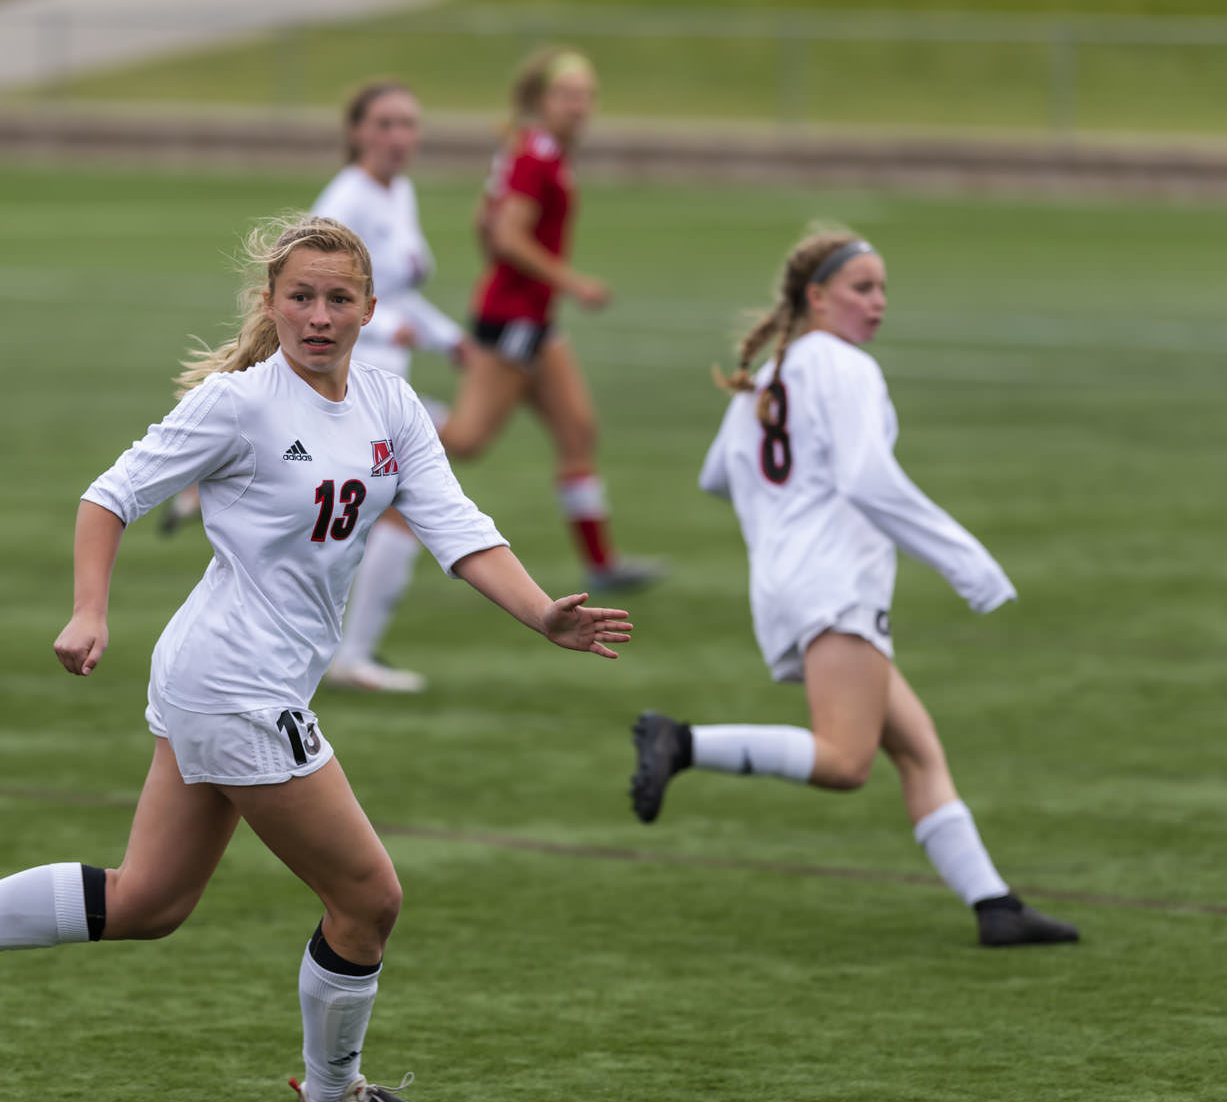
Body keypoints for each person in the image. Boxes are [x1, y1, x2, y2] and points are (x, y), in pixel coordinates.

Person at [0, 214, 634, 1102]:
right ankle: (335, 1100)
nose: (318, 316)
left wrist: (541, 613)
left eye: (337, 299)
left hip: (231, 680)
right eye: (300, 297)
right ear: (272, 305)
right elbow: (109, 495)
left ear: (370, 309)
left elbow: (455, 522)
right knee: (368, 897)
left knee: (148, 901)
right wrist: (90, 609)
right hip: (235, 687)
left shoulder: (393, 406)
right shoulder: (241, 403)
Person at [626, 227, 1078, 948]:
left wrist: (781, 520)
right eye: (863, 288)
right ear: (817, 297)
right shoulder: (845, 367)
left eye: (884, 289)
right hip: (837, 583)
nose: (880, 304)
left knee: (919, 749)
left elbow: (720, 474)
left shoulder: (772, 375)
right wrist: (968, 562)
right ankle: (681, 743)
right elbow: (867, 478)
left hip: (786, 584)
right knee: (845, 761)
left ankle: (995, 905)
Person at [442, 48, 662, 594]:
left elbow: (483, 220)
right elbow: (507, 235)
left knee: (577, 431)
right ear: (544, 100)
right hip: (514, 320)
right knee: (466, 440)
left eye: (587, 95)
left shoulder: (537, 150)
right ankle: (374, 437)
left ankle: (601, 564)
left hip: (536, 319)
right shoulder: (537, 155)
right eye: (569, 95)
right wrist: (573, 281)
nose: (580, 106)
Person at [310, 79, 472, 693]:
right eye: (385, 123)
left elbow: (396, 296)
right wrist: (395, 330)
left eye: (409, 123)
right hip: (353, 380)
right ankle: (349, 655)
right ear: (356, 132)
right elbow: (314, 304)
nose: (399, 137)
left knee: (381, 510)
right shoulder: (344, 201)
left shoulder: (396, 191)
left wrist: (449, 338)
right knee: (401, 505)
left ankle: (347, 652)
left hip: (387, 383)